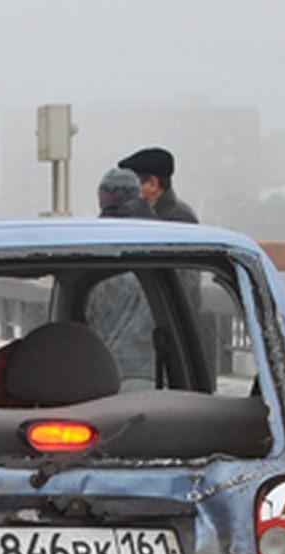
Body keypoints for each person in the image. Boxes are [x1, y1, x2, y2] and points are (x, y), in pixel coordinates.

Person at [87, 168, 159, 388]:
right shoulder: (163, 244)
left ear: (101, 200)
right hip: (156, 377)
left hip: (102, 378)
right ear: (137, 196)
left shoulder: (90, 252)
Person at [116, 147, 198, 223]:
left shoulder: (180, 219)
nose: (128, 189)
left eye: (132, 184)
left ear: (153, 184)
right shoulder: (135, 212)